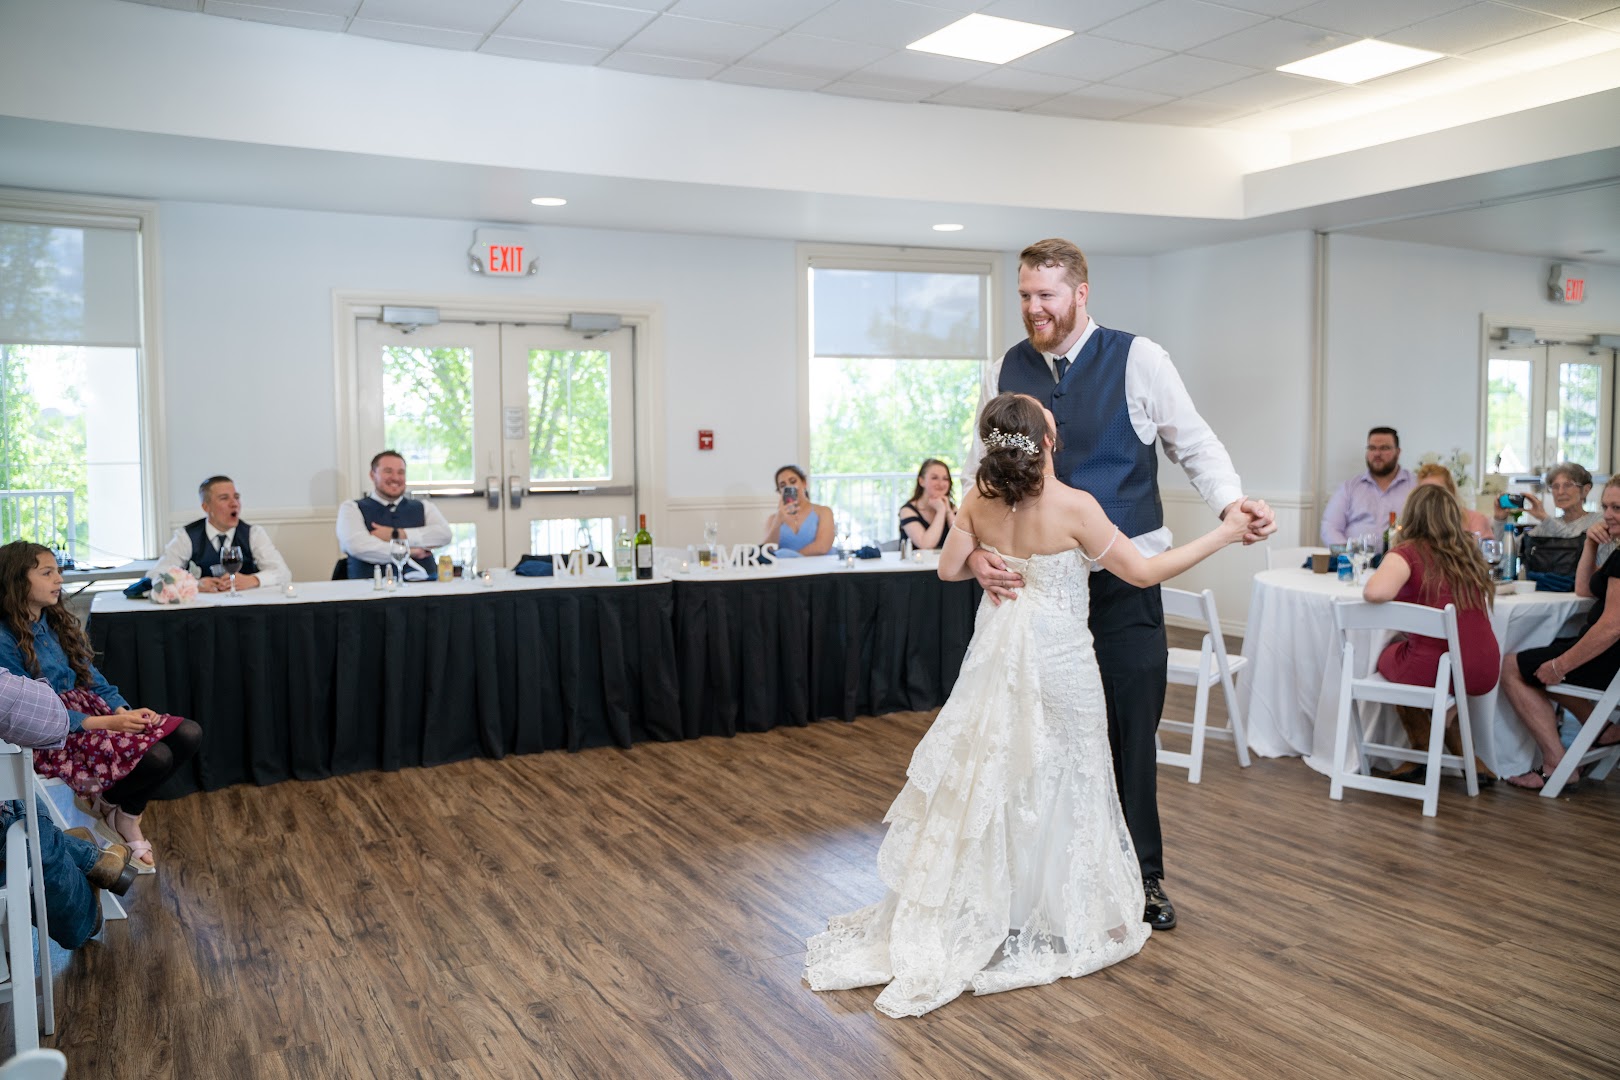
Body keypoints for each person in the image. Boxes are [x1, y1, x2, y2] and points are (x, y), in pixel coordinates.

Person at [805, 393, 1250, 1017]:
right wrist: (1226, 533)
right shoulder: (1075, 507)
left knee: (1005, 772)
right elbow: (1144, 573)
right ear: (1047, 441)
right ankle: (1060, 909)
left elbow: (947, 570)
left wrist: (980, 557)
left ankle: (1007, 905)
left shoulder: (978, 500)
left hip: (999, 655)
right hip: (1061, 660)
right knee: (1068, 775)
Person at [964, 239, 1275, 932]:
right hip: (1038, 596)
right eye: (1024, 295)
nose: (1033, 308)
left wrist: (1232, 506)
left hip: (1123, 586)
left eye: (1046, 295)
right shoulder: (1003, 370)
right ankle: (1043, 881)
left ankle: (1143, 877)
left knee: (1131, 732)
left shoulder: (1140, 359)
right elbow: (981, 469)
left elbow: (1195, 444)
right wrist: (979, 553)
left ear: (1081, 293)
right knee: (1038, 739)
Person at [0, 542, 203, 874]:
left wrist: (122, 711)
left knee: (188, 733)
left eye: (58, 572)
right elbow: (26, 714)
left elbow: (93, 678)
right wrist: (107, 722)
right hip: (55, 734)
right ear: (16, 580)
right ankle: (119, 813)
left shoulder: (54, 622)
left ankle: (116, 809)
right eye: (47, 573)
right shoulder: (4, 638)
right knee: (157, 757)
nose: (59, 580)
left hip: (96, 716)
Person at [1362, 485, 1500, 778]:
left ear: (1411, 515)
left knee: (1390, 657)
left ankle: (1422, 750)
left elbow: (1375, 592)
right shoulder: (1468, 553)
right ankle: (1469, 759)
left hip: (1439, 669)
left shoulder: (1408, 552)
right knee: (1421, 661)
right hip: (1483, 667)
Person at [0, 670, 138, 948]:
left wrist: (120, 710)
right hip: (69, 728)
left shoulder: (66, 643)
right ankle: (92, 868)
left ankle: (107, 843)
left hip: (80, 718)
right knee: (22, 822)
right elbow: (53, 721)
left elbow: (95, 680)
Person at [1499, 477, 1620, 790]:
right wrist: (1591, 544)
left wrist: (1560, 665)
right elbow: (1584, 589)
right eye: (1606, 507)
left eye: (1617, 508)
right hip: (1607, 656)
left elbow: (1612, 627)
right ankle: (1603, 729)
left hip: (1608, 660)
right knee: (1543, 655)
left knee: (1511, 667)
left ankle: (1555, 763)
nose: (1608, 515)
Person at [152, 475, 291, 592]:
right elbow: (156, 575)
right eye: (224, 498)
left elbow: (283, 573)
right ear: (206, 507)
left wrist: (253, 580)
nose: (234, 503)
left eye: (236, 497)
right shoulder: (186, 536)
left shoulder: (254, 534)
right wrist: (194, 584)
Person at [337, 450, 453, 580]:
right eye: (388, 471)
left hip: (425, 586)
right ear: (372, 475)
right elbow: (358, 546)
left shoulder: (425, 506)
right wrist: (410, 551)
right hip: (369, 587)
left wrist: (397, 534)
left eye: (401, 472)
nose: (396, 478)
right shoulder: (351, 508)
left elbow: (444, 535)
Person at [1321, 426, 1414, 547]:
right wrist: (1348, 552)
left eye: (1384, 448)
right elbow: (1330, 527)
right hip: (1355, 557)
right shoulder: (1349, 488)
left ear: (1398, 452)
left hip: (1401, 557)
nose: (1377, 454)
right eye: (1372, 448)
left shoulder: (1415, 486)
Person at [1497, 462, 1599, 538]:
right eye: (1555, 486)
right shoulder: (1548, 525)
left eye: (1568, 485)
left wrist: (1544, 518)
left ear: (1585, 490)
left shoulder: (1599, 521)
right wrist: (1500, 519)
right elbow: (1512, 549)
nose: (1560, 492)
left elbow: (1575, 541)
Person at [762, 465, 834, 557]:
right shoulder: (773, 519)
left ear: (804, 483)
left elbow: (822, 547)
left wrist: (790, 556)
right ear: (780, 491)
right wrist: (778, 519)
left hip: (818, 565)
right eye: (783, 485)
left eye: (793, 481)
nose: (789, 486)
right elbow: (767, 550)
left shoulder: (824, 512)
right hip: (785, 566)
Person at [1415, 463, 1490, 538]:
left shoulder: (1476, 521)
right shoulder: (1415, 527)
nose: (1432, 498)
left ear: (1451, 491)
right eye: (1425, 492)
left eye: (1438, 491)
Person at [897, 459, 956, 551]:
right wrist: (941, 511)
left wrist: (948, 510)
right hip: (915, 560)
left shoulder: (952, 508)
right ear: (921, 481)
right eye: (934, 478)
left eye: (945, 479)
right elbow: (926, 545)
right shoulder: (907, 510)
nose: (941, 483)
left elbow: (961, 540)